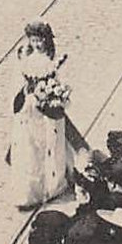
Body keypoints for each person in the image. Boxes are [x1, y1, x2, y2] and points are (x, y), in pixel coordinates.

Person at [7, 21, 86, 209]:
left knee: (52, 143)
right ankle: (32, 190)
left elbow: (58, 81)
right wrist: (28, 93)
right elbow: (18, 84)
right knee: (32, 148)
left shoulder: (53, 60)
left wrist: (55, 94)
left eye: (40, 40)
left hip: (48, 110)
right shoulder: (25, 58)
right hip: (30, 110)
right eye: (33, 40)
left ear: (46, 40)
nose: (37, 44)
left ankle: (53, 185)